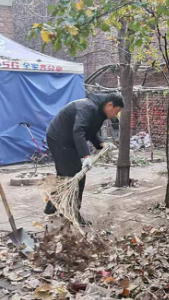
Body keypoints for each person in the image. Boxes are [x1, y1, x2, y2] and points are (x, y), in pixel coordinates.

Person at [44, 93, 123, 224]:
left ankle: (52, 208)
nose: (115, 115)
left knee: (67, 175)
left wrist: (102, 144)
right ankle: (73, 213)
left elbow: (90, 132)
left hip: (67, 139)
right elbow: (79, 131)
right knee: (76, 176)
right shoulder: (87, 108)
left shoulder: (98, 112)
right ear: (110, 105)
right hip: (58, 138)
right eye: (117, 111)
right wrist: (86, 156)